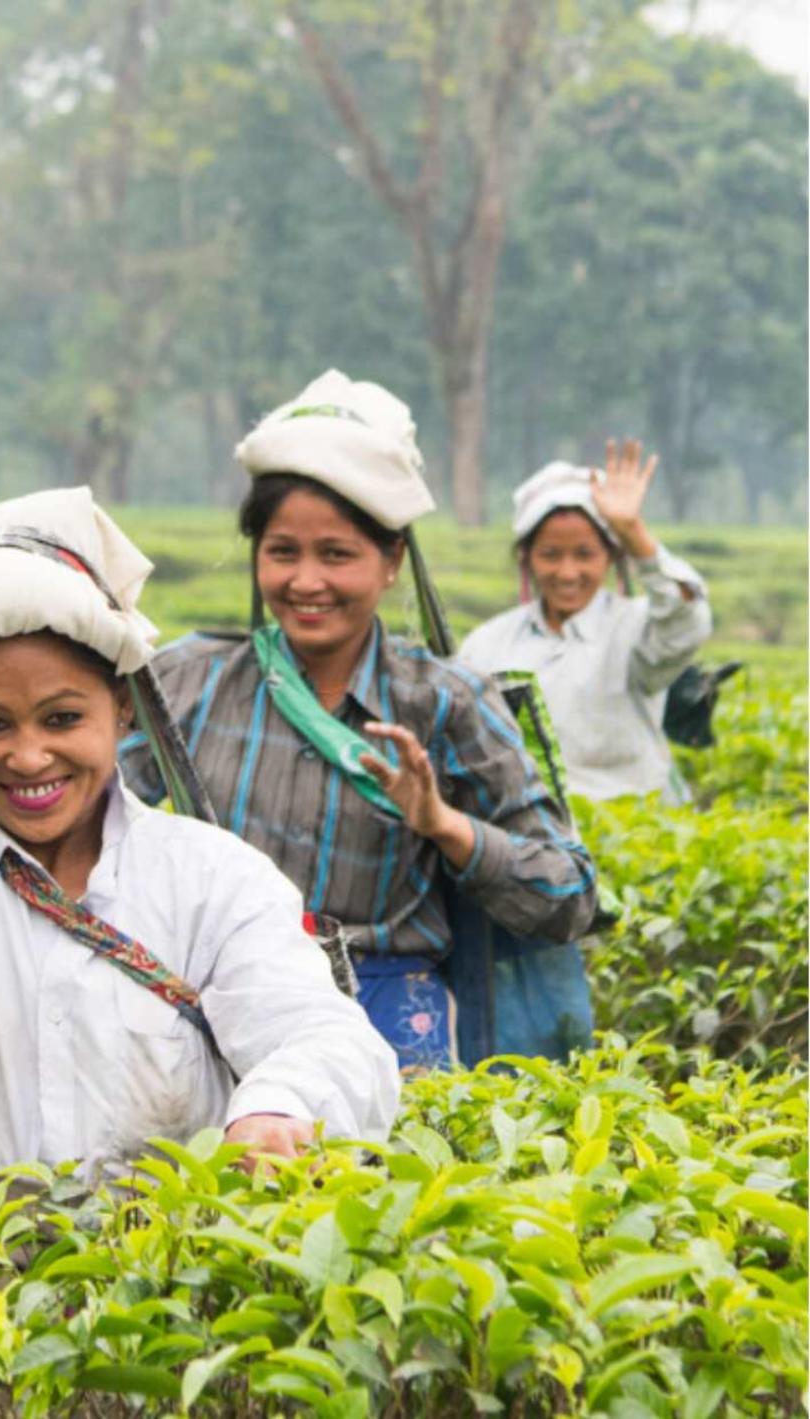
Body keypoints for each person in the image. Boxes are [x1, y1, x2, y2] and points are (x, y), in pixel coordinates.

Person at [0, 323, 398, 1276]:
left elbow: (321, 1033)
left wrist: (275, 1109)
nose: (29, 756)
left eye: (63, 716)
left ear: (121, 708)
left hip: (161, 1303)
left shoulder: (210, 878)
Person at [123, 370, 598, 1069]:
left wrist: (447, 827)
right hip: (215, 1020)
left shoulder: (448, 703)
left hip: (389, 1035)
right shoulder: (188, 681)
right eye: (282, 551)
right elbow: (90, 823)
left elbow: (570, 892)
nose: (306, 581)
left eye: (336, 554)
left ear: (391, 561)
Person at [459, 444, 712, 803]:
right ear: (526, 557)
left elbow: (687, 620)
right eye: (550, 555)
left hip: (634, 830)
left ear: (611, 556)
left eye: (585, 554)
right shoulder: (488, 642)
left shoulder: (636, 628)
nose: (567, 573)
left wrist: (632, 531)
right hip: (529, 833)